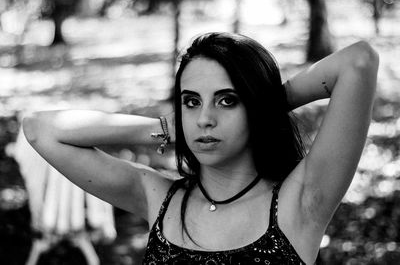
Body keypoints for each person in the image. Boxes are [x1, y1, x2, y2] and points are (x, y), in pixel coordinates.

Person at [22, 32, 379, 264]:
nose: (204, 118)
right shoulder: (158, 197)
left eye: (227, 101)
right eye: (191, 102)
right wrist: (164, 127)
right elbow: (40, 129)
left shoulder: (301, 201)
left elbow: (358, 61)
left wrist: (263, 103)